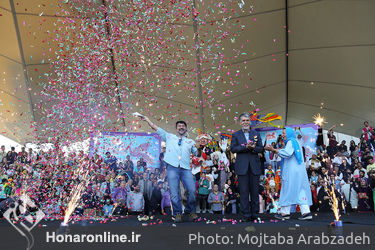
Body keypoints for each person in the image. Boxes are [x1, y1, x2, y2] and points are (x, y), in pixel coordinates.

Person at [139, 114, 200, 223]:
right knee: (174, 192)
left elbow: (196, 153)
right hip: (172, 168)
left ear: (186, 128)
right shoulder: (169, 136)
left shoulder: (191, 142)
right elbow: (156, 128)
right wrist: (147, 119)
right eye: (179, 126)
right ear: (176, 129)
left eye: (183, 126)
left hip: (186, 169)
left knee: (191, 190)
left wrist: (200, 146)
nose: (181, 127)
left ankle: (190, 211)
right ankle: (177, 213)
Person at [265, 128, 313, 220]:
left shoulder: (291, 142)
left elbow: (287, 153)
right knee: (300, 190)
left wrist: (273, 150)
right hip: (298, 172)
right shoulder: (294, 142)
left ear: (289, 133)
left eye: (284, 133)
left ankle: (285, 212)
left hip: (292, 172)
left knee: (287, 189)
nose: (282, 135)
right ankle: (306, 212)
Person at [230, 113, 263, 221]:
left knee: (255, 191)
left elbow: (261, 148)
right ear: (240, 122)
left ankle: (255, 213)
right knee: (243, 191)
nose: (245, 122)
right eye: (243, 120)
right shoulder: (235, 135)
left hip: (254, 166)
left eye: (247, 120)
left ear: (250, 122)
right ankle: (246, 214)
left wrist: (253, 148)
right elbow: (233, 149)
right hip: (242, 167)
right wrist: (245, 146)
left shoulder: (256, 134)